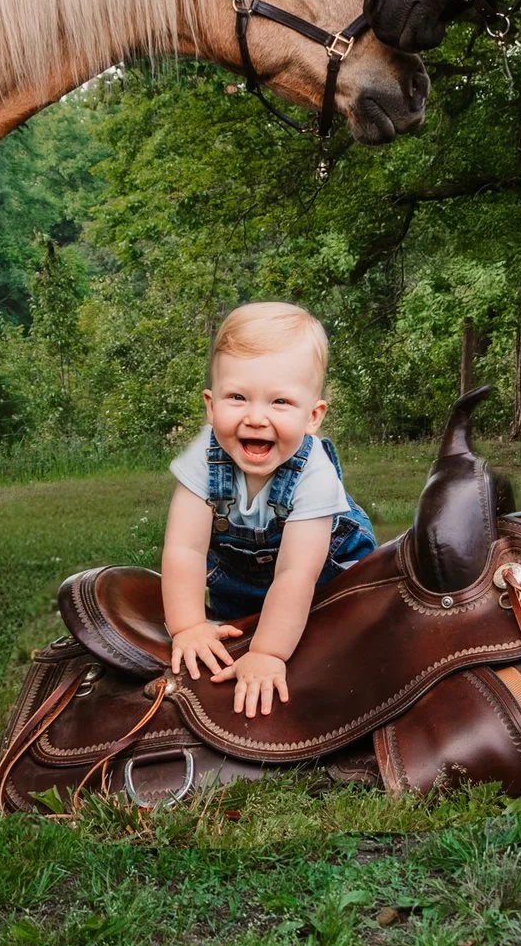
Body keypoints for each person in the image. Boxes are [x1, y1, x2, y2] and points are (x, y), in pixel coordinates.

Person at [162, 302, 377, 716]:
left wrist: (267, 653)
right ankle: (254, 627)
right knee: (231, 637)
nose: (256, 417)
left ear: (312, 416)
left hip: (327, 579)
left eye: (279, 402)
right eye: (237, 397)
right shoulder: (203, 459)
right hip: (243, 586)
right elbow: (184, 549)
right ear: (211, 406)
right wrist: (187, 626)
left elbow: (296, 576)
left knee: (347, 638)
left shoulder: (314, 476)